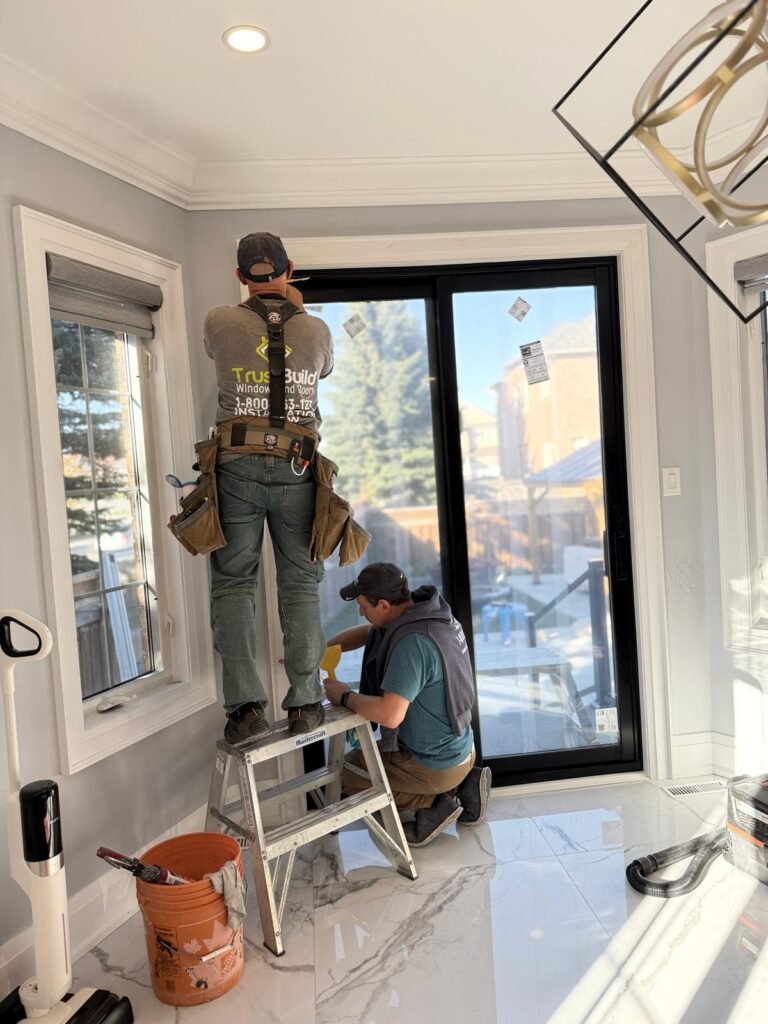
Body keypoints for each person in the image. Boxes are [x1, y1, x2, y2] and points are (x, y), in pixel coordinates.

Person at [204, 232, 333, 742]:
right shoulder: (317, 330)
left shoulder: (219, 321)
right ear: (290, 268)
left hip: (235, 467)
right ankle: (304, 703)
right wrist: (295, 309)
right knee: (300, 584)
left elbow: (220, 347)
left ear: (240, 277)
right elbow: (322, 368)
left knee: (235, 584)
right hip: (298, 469)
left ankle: (245, 711)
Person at [323, 563, 492, 847]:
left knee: (340, 773)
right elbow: (368, 632)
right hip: (461, 747)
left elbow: (390, 715)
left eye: (364, 606)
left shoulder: (412, 643)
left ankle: (434, 805)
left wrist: (344, 696)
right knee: (364, 761)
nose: (361, 612)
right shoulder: (429, 615)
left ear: (385, 605)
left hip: (434, 764)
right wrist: (322, 651)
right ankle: (465, 783)